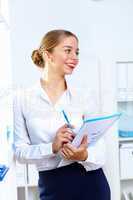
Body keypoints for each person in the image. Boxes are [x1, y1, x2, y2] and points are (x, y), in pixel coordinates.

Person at [13, 29, 111, 200]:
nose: (75, 57)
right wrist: (52, 147)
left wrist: (84, 155)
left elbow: (102, 149)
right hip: (53, 187)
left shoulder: (84, 96)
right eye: (68, 50)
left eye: (77, 52)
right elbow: (20, 153)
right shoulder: (22, 99)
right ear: (48, 54)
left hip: (91, 183)